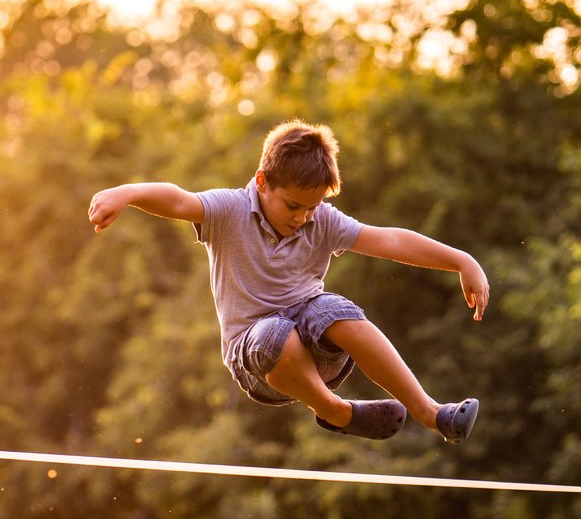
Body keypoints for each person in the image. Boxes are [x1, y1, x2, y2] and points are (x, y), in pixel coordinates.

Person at [88, 119, 489, 442]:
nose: (302, 217)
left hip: (318, 354)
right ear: (262, 182)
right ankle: (334, 411)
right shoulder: (229, 211)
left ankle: (432, 413)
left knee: (334, 308)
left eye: (312, 207)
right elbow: (178, 200)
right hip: (258, 359)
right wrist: (126, 193)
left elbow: (389, 239)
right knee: (276, 333)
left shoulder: (322, 220)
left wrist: (461, 261)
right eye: (293, 205)